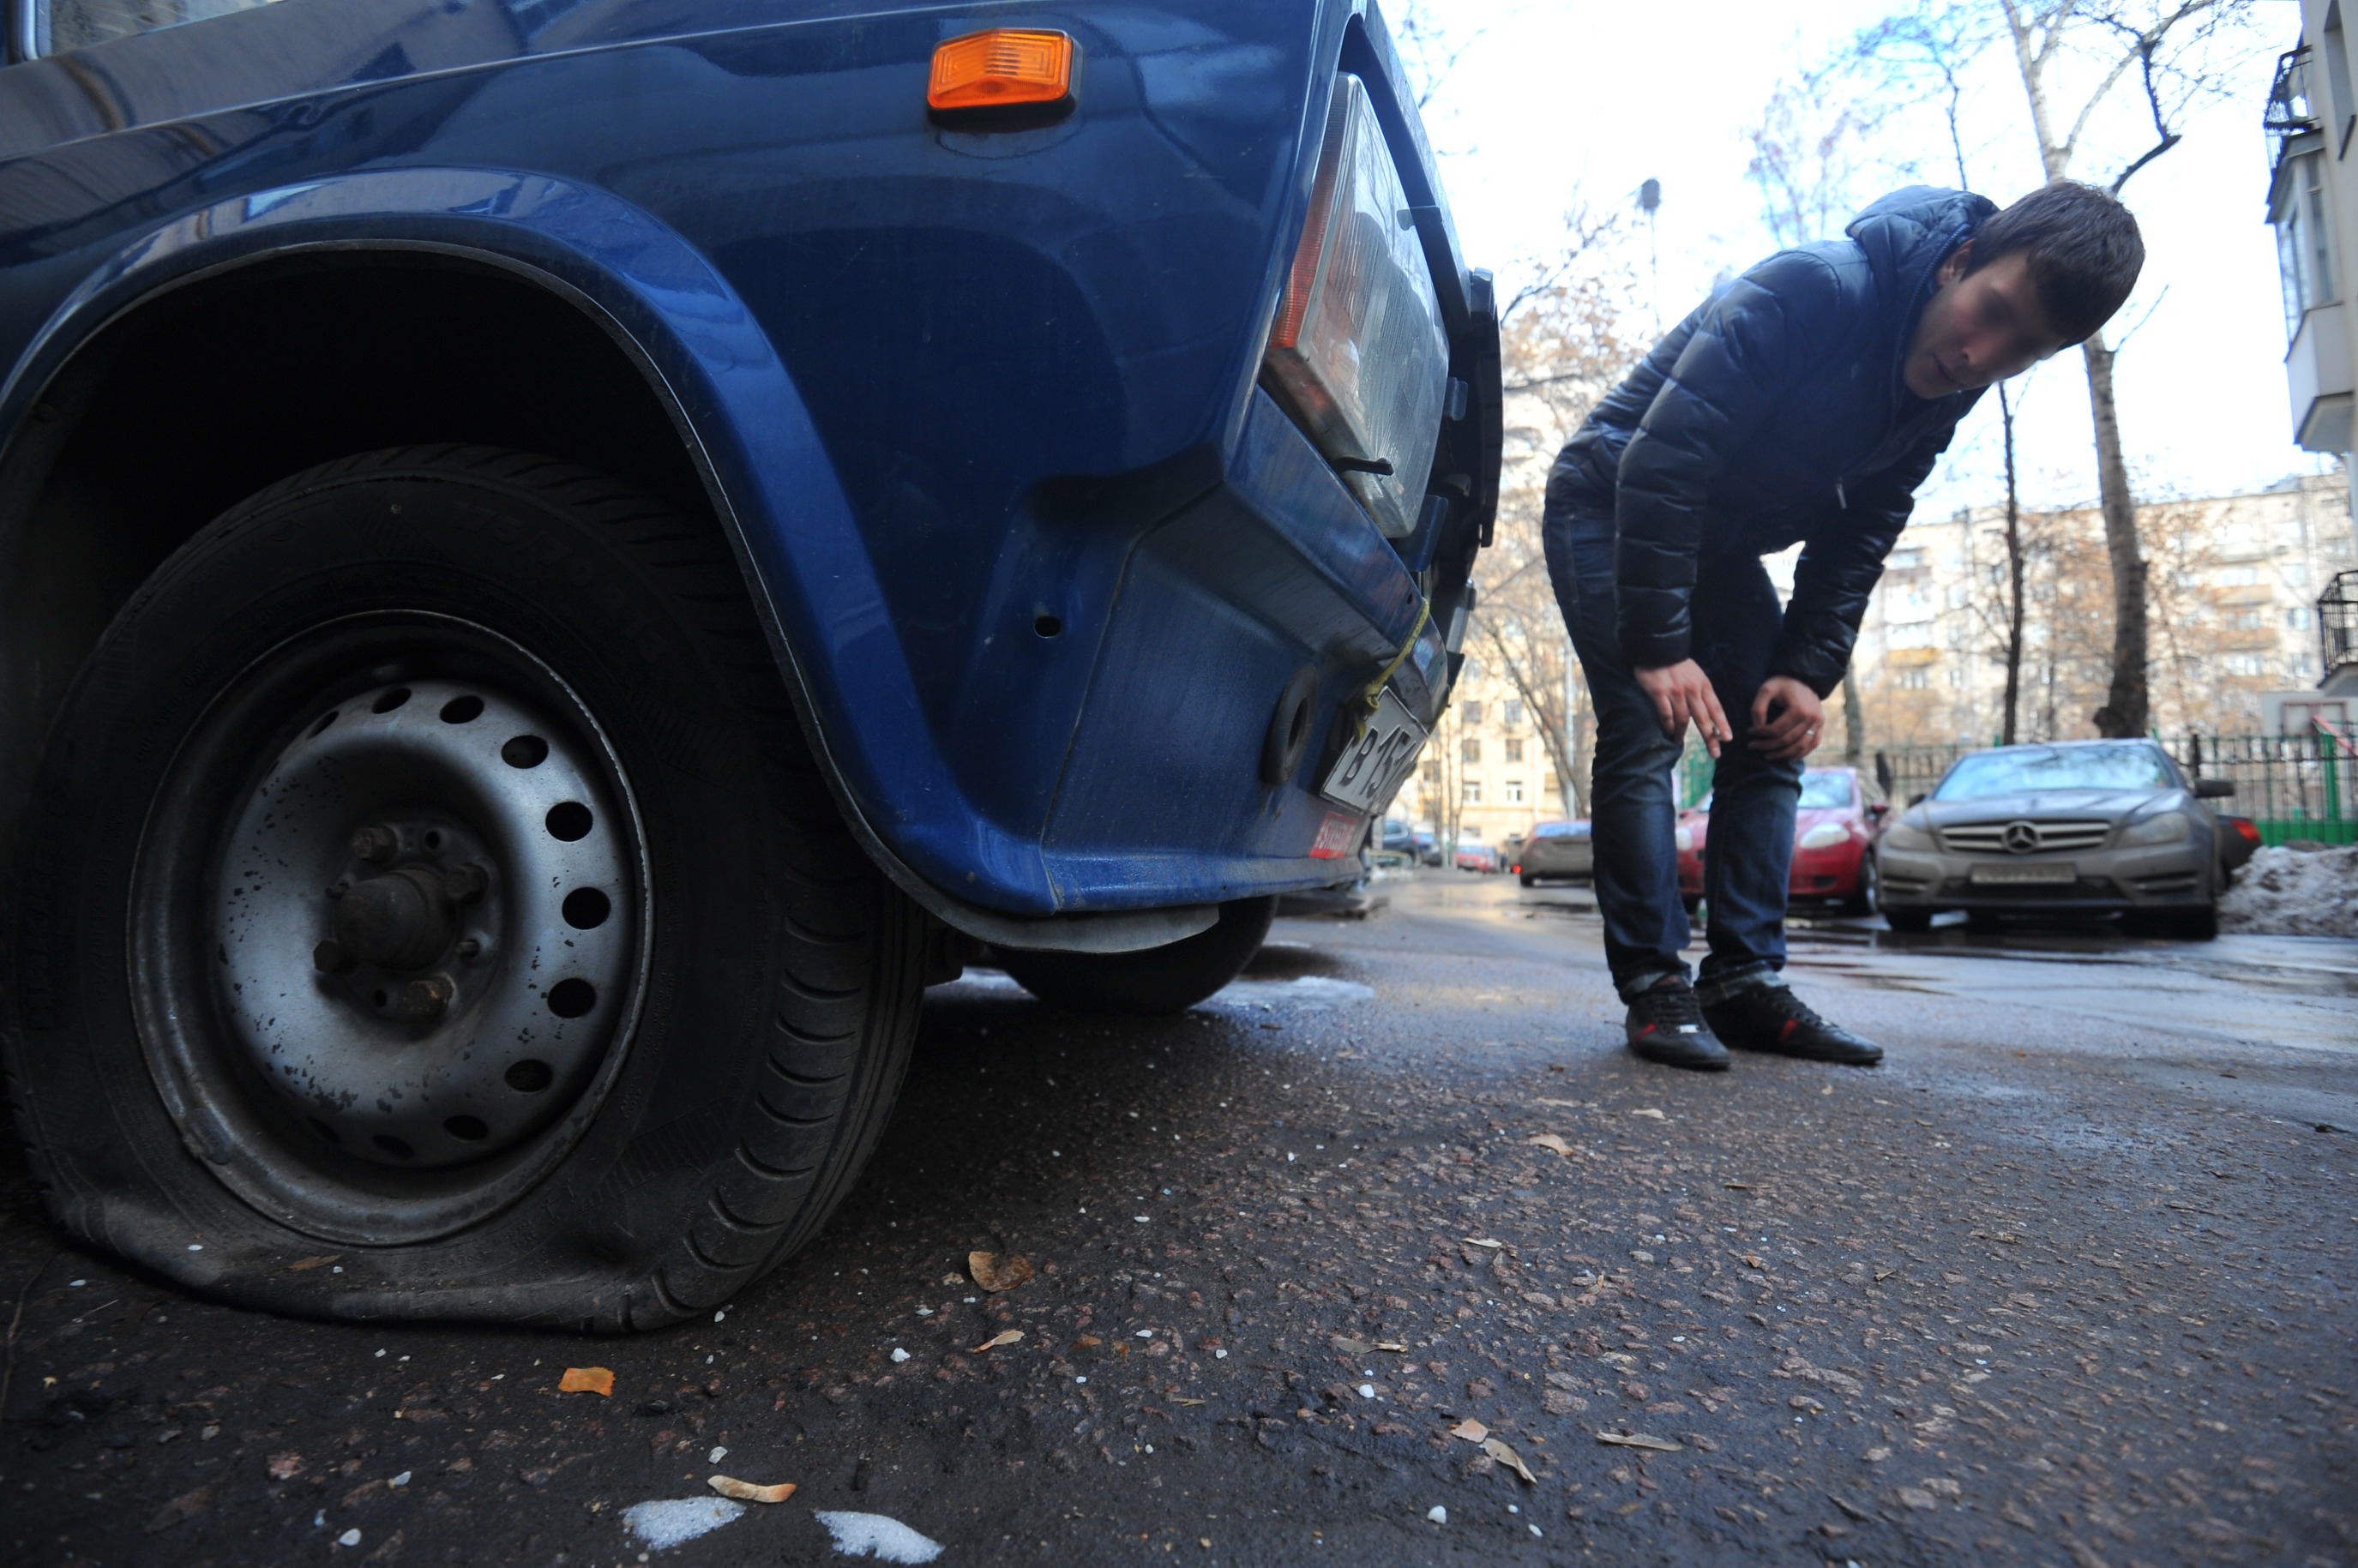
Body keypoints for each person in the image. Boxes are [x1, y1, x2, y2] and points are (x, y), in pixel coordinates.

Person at [1542, 183, 2143, 1072]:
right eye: (1989, 312)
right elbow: (1662, 459)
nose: (1979, 354)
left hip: (1717, 541)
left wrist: (1804, 667)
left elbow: (1864, 525)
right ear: (1958, 259)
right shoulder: (1813, 288)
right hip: (1611, 502)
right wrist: (1660, 646)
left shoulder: (1947, 390)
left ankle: (1742, 982)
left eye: (2020, 352)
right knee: (1646, 724)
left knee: (1772, 736)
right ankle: (1655, 985)